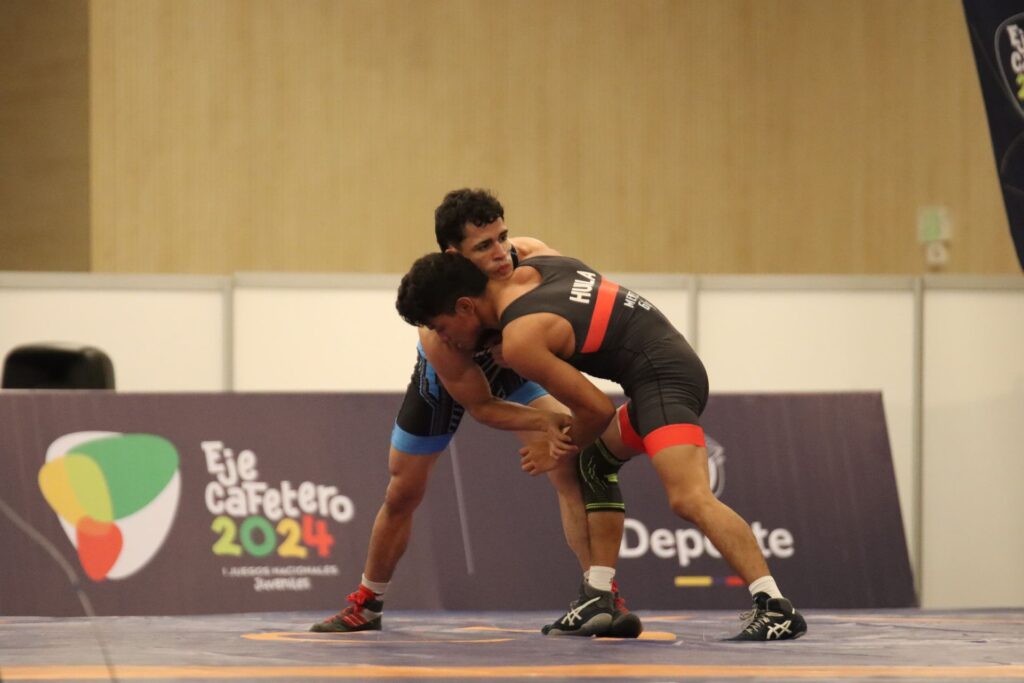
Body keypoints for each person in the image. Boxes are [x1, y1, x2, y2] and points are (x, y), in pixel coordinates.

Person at [395, 247, 808, 641]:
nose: (443, 338)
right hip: (665, 370)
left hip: (664, 384)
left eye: (441, 327)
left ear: (466, 306)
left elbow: (596, 412)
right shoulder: (543, 267)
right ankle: (599, 593)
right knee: (593, 464)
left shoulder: (522, 338)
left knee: (690, 498)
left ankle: (774, 606)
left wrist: (551, 446)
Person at [311, 189, 640, 638]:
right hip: (451, 384)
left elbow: (587, 305)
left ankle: (599, 594)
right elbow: (482, 406)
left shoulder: (533, 257)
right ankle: (367, 602)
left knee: (572, 464)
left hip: (519, 367)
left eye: (502, 237)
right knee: (402, 492)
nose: (502, 254)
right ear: (455, 255)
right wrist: (545, 421)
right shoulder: (439, 330)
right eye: (483, 247)